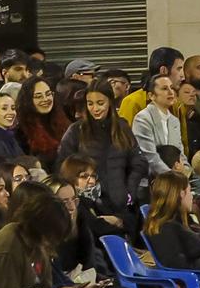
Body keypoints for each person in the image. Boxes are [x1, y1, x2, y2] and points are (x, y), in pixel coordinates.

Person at [56, 80, 141, 219]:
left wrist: (130, 189)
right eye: (90, 104)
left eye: (100, 103)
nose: (95, 108)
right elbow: (63, 167)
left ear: (110, 103)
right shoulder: (76, 131)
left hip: (121, 203)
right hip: (89, 205)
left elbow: (138, 162)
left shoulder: (122, 127)